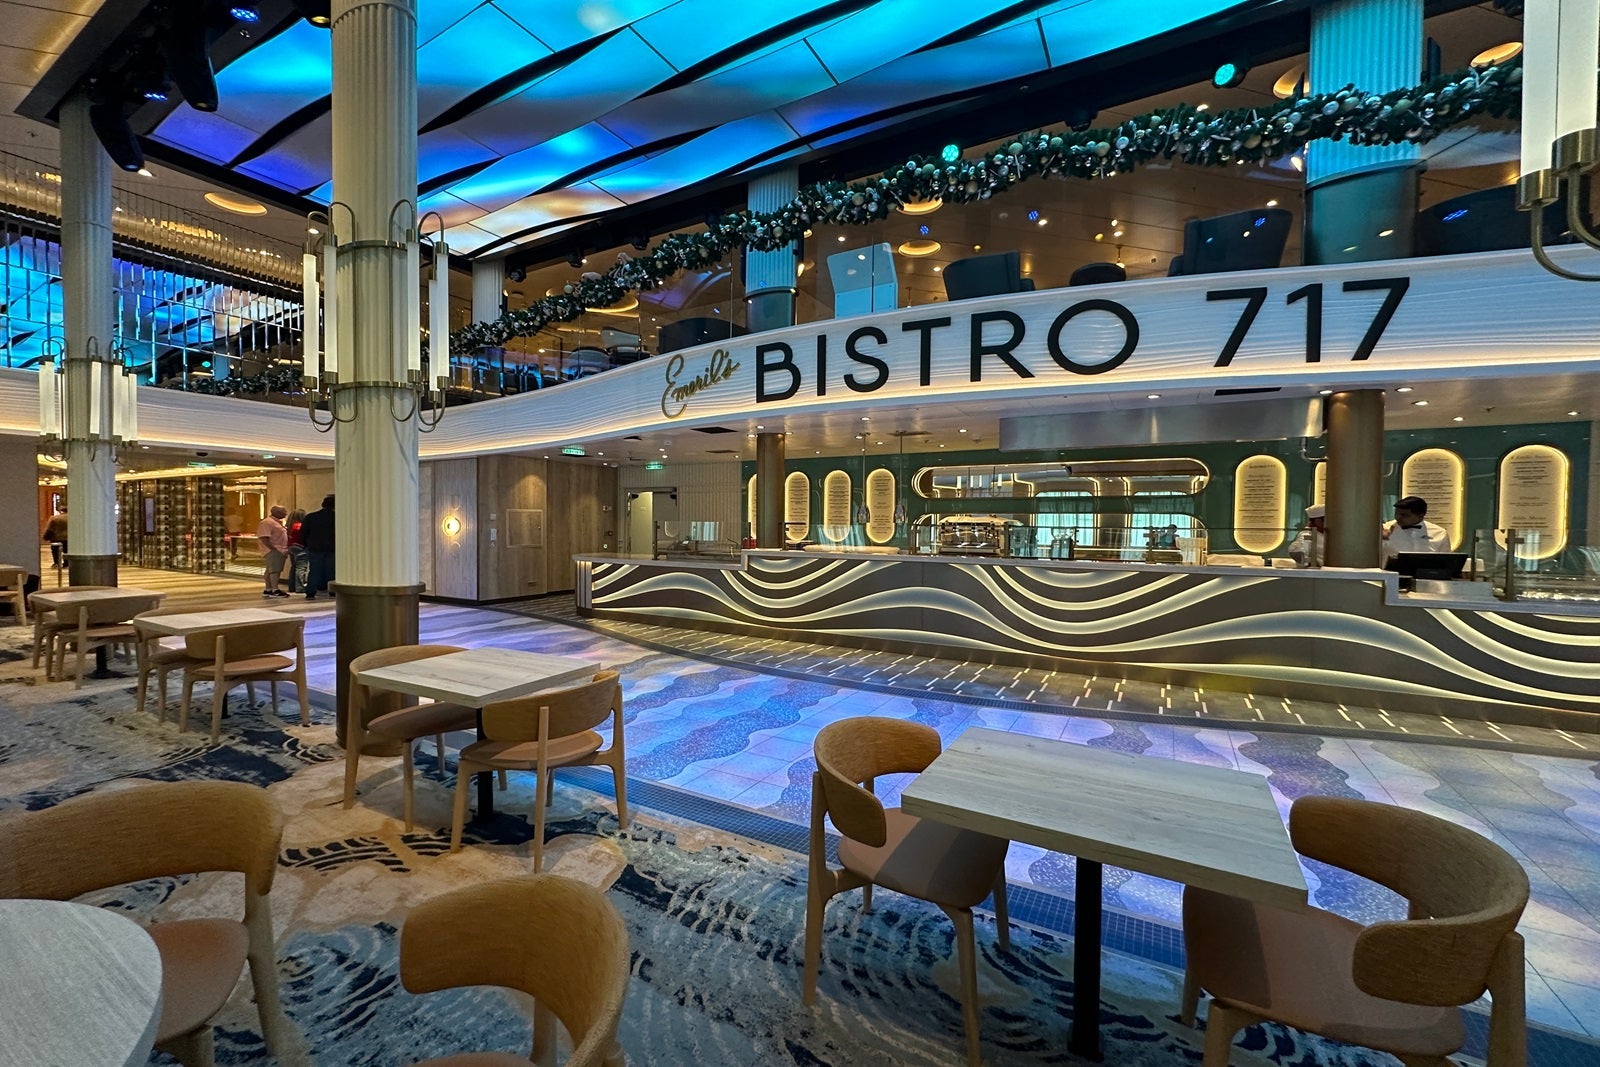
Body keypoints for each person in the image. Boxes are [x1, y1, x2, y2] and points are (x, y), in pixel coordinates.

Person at [1381, 495, 1449, 564]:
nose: (1398, 517)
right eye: (1396, 513)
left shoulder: (1439, 533)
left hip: (1425, 574)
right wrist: (1382, 539)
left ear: (1420, 516)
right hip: (1392, 574)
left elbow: (1446, 561)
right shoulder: (1385, 529)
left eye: (1404, 515)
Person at [300, 494, 335, 600]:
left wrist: (307, 545)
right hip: (331, 548)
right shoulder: (336, 517)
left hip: (314, 548)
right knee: (331, 570)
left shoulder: (311, 517)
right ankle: (332, 591)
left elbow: (303, 533)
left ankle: (310, 592)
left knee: (314, 570)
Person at [257, 505, 290, 598]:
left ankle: (268, 589)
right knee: (275, 570)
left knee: (270, 570)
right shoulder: (267, 523)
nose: (286, 513)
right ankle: (275, 589)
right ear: (277, 512)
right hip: (273, 550)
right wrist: (275, 549)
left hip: (276, 549)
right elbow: (264, 538)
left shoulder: (277, 523)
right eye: (284, 512)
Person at [285, 509, 308, 594]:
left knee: (294, 567)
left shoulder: (290, 526)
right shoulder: (300, 526)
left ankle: (292, 586)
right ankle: (300, 587)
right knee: (301, 567)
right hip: (300, 547)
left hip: (291, 547)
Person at [41, 504, 68, 569]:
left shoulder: (54, 518)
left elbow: (49, 528)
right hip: (69, 538)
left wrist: (45, 537)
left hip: (56, 538)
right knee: (67, 551)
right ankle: (67, 564)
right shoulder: (73, 518)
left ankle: (56, 563)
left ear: (60, 511)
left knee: (55, 551)